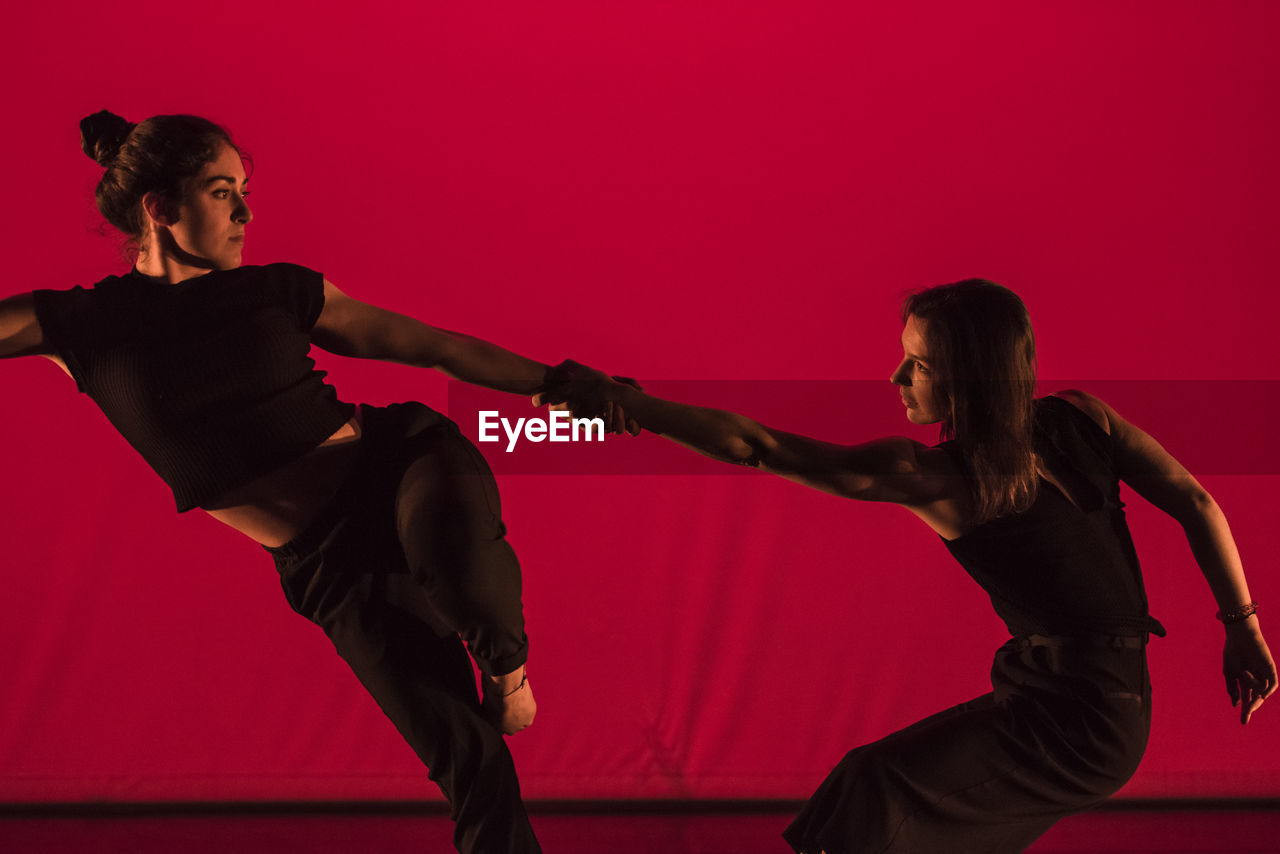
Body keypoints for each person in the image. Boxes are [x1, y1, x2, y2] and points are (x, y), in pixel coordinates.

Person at [0, 110, 605, 854]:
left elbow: (432, 346)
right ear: (160, 208)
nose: (247, 211)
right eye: (223, 192)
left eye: (245, 190)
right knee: (468, 760)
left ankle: (508, 673)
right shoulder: (81, 325)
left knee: (461, 572)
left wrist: (555, 382)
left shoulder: (276, 292)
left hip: (400, 463)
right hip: (330, 566)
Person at [540, 279, 1277, 853]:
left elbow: (757, 446)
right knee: (877, 794)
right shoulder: (1083, 418)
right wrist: (1242, 628)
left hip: (1080, 721)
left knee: (873, 790)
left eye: (919, 364)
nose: (897, 376)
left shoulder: (943, 477)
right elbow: (1196, 500)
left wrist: (627, 405)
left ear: (971, 376)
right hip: (1076, 700)